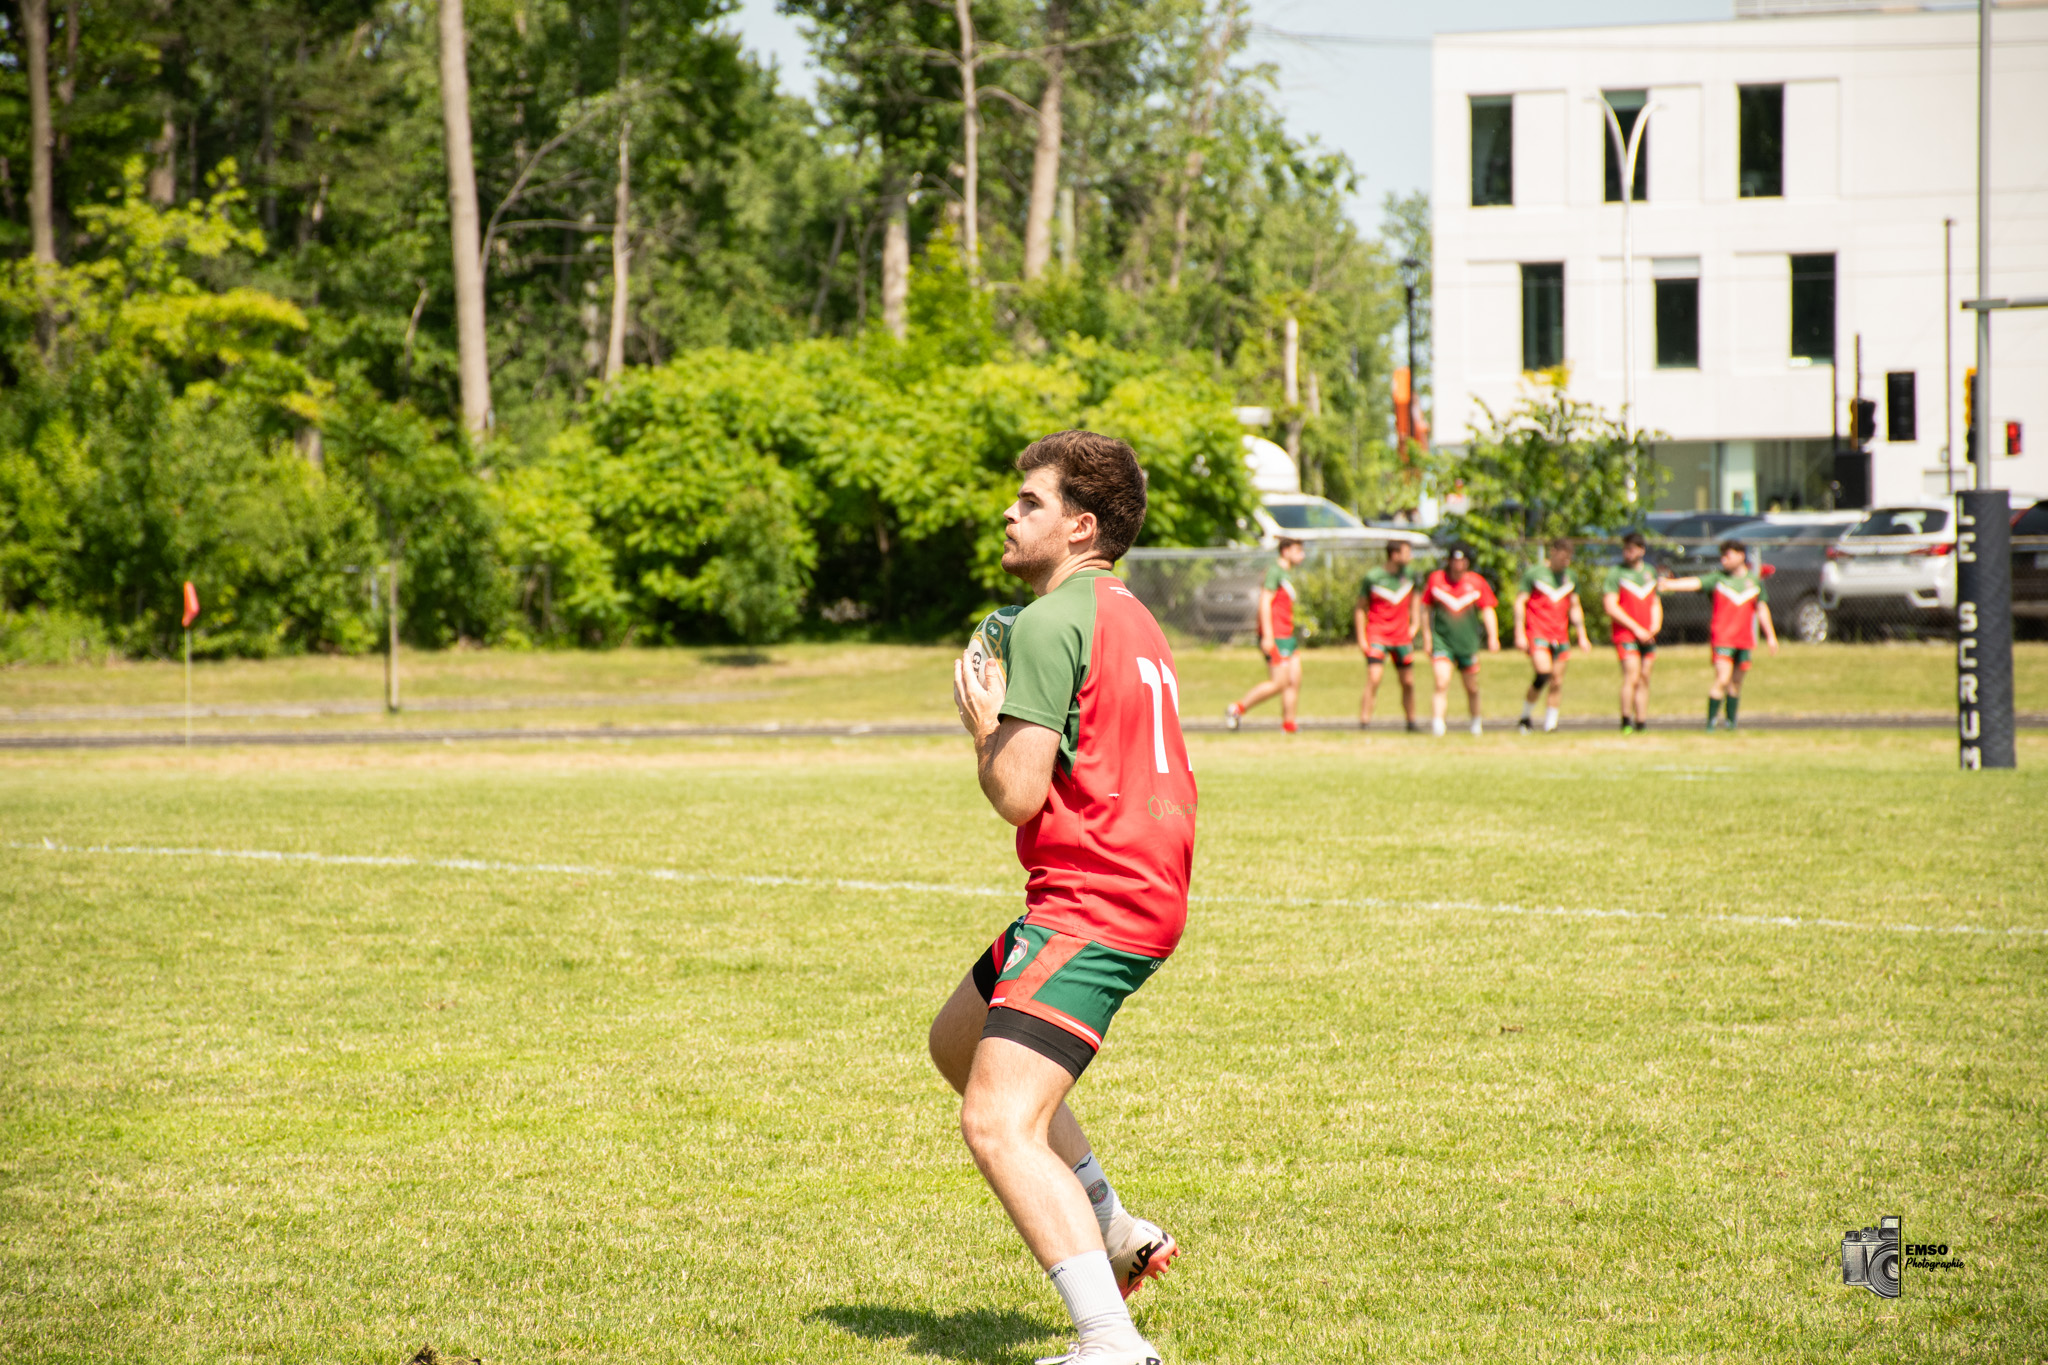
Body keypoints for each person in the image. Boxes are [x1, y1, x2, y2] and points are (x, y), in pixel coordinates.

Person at [943, 430, 1193, 1365]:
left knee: (996, 1120)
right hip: (1134, 879)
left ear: (1082, 525)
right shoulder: (1131, 611)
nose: (1010, 512)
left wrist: (983, 726)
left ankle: (1109, 1342)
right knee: (957, 1040)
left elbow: (1017, 791)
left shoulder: (1047, 621)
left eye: (1032, 502)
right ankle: (1113, 1224)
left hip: (1097, 895)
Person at [1658, 539, 1779, 730]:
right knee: (1722, 679)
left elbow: (1762, 608)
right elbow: (1695, 583)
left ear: (1740, 555)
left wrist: (1770, 636)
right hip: (1723, 638)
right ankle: (1711, 723)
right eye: (1722, 555)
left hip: (1744, 640)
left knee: (1735, 684)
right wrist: (1670, 585)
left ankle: (1731, 723)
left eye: (1727, 555)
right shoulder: (1718, 579)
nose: (1723, 559)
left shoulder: (1753, 581)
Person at [1225, 537, 1306, 734]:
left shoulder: (1287, 574)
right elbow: (1264, 602)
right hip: (1276, 635)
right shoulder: (1275, 572)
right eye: (1297, 550)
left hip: (1287, 635)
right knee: (1278, 682)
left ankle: (1288, 725)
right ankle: (1237, 708)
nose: (1302, 555)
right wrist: (1268, 636)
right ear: (1285, 551)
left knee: (1294, 679)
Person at [1512, 537, 1591, 733]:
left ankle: (1550, 724)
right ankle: (1525, 716)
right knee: (1543, 673)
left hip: (1560, 635)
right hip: (1538, 632)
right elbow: (1519, 602)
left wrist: (1582, 634)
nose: (1566, 562)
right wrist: (1519, 632)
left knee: (1557, 680)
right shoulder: (1535, 573)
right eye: (1563, 557)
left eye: (1569, 558)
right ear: (1553, 552)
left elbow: (1574, 606)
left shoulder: (1570, 577)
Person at [1422, 545, 1501, 736]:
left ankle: (1475, 723)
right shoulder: (1437, 580)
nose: (1458, 565)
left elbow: (1488, 609)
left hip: (1467, 643)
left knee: (1472, 686)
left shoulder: (1476, 582)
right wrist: (1426, 636)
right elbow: (1425, 608)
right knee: (1441, 681)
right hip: (1443, 641)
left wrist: (1493, 636)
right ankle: (1438, 725)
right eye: (1455, 560)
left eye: (1462, 560)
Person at [1353, 540, 1426, 730]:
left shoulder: (1410, 576)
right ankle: (1364, 722)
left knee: (1408, 681)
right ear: (1394, 555)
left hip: (1401, 636)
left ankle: (1411, 722)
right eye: (1406, 552)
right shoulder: (1373, 577)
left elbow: (1416, 600)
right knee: (1374, 678)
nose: (1410, 557)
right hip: (1378, 634)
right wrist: (1362, 638)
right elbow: (1360, 608)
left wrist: (1415, 624)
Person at [1602, 531, 1662, 733]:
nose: (1627, 553)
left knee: (1645, 677)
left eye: (1632, 549)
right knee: (1632, 676)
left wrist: (1654, 626)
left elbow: (1655, 602)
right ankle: (1626, 720)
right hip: (1626, 634)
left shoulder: (1650, 572)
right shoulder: (1616, 574)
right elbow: (1611, 606)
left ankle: (1641, 722)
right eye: (1625, 549)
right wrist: (1636, 629)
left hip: (1647, 634)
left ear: (1642, 551)